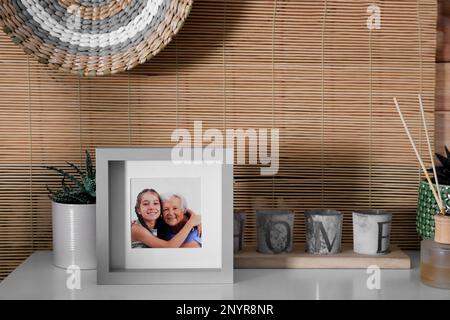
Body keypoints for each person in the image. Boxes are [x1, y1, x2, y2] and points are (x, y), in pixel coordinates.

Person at [131, 188, 201, 248]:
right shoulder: (136, 229)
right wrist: (191, 222)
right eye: (166, 209)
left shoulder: (161, 223)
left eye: (155, 203)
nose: (151, 208)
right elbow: (168, 247)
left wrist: (194, 217)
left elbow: (182, 209)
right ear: (138, 210)